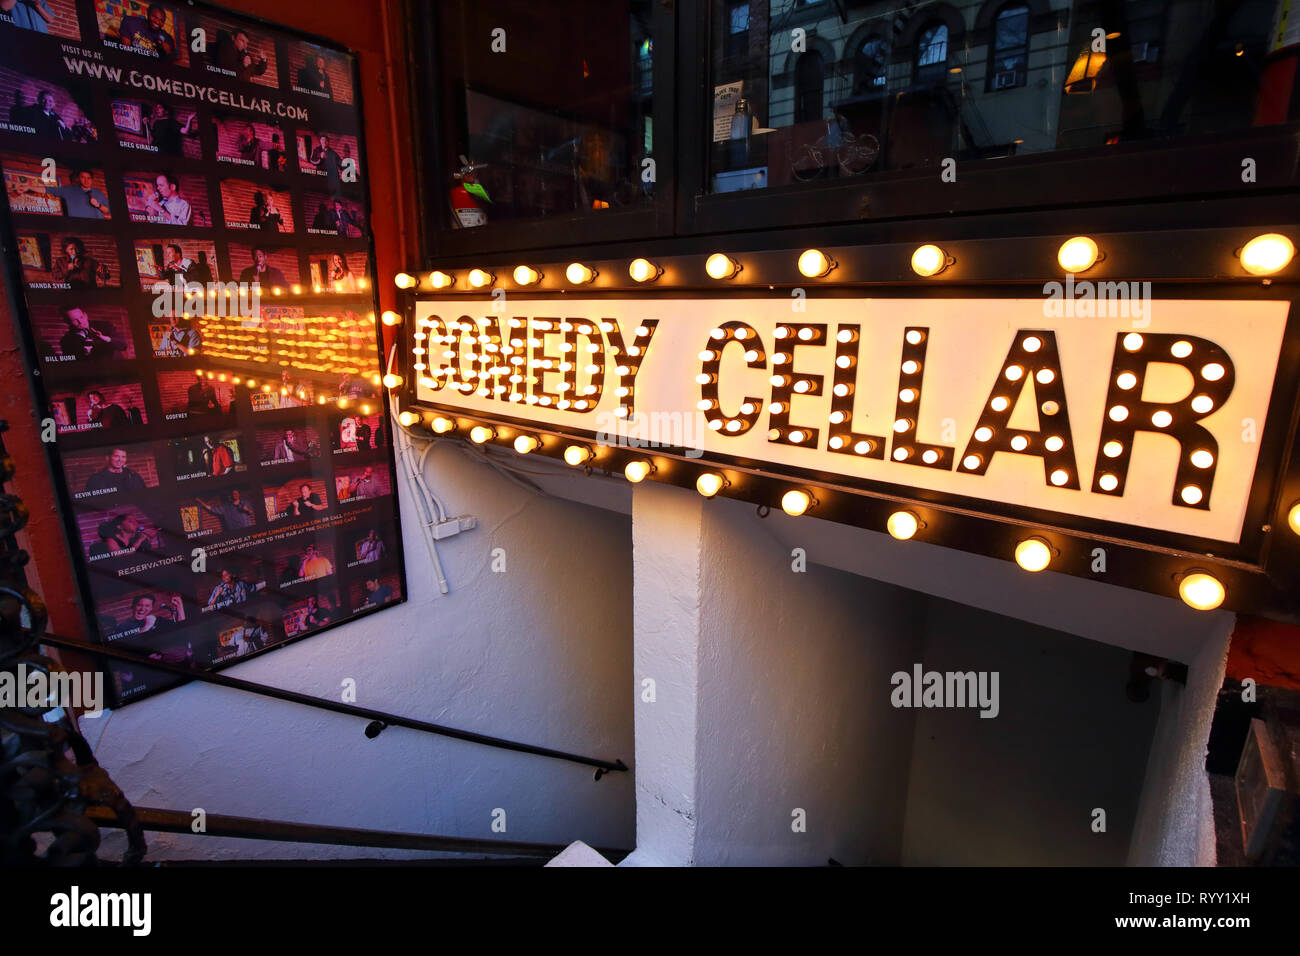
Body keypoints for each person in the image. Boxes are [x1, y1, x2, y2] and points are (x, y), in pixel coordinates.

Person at [59, 307, 124, 360]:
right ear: (67, 322)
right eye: (74, 320)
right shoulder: (66, 341)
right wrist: (86, 354)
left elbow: (123, 345)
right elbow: (71, 364)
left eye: (81, 317)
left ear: (85, 315)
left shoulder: (105, 325)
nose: (80, 322)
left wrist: (106, 339)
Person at [45, 169, 111, 219]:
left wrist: (98, 205)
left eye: (88, 178)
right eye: (83, 177)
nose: (86, 180)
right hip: (78, 227)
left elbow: (108, 211)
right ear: (79, 179)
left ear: (92, 179)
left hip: (97, 228)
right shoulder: (69, 190)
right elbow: (48, 189)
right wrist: (34, 187)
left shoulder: (99, 193)